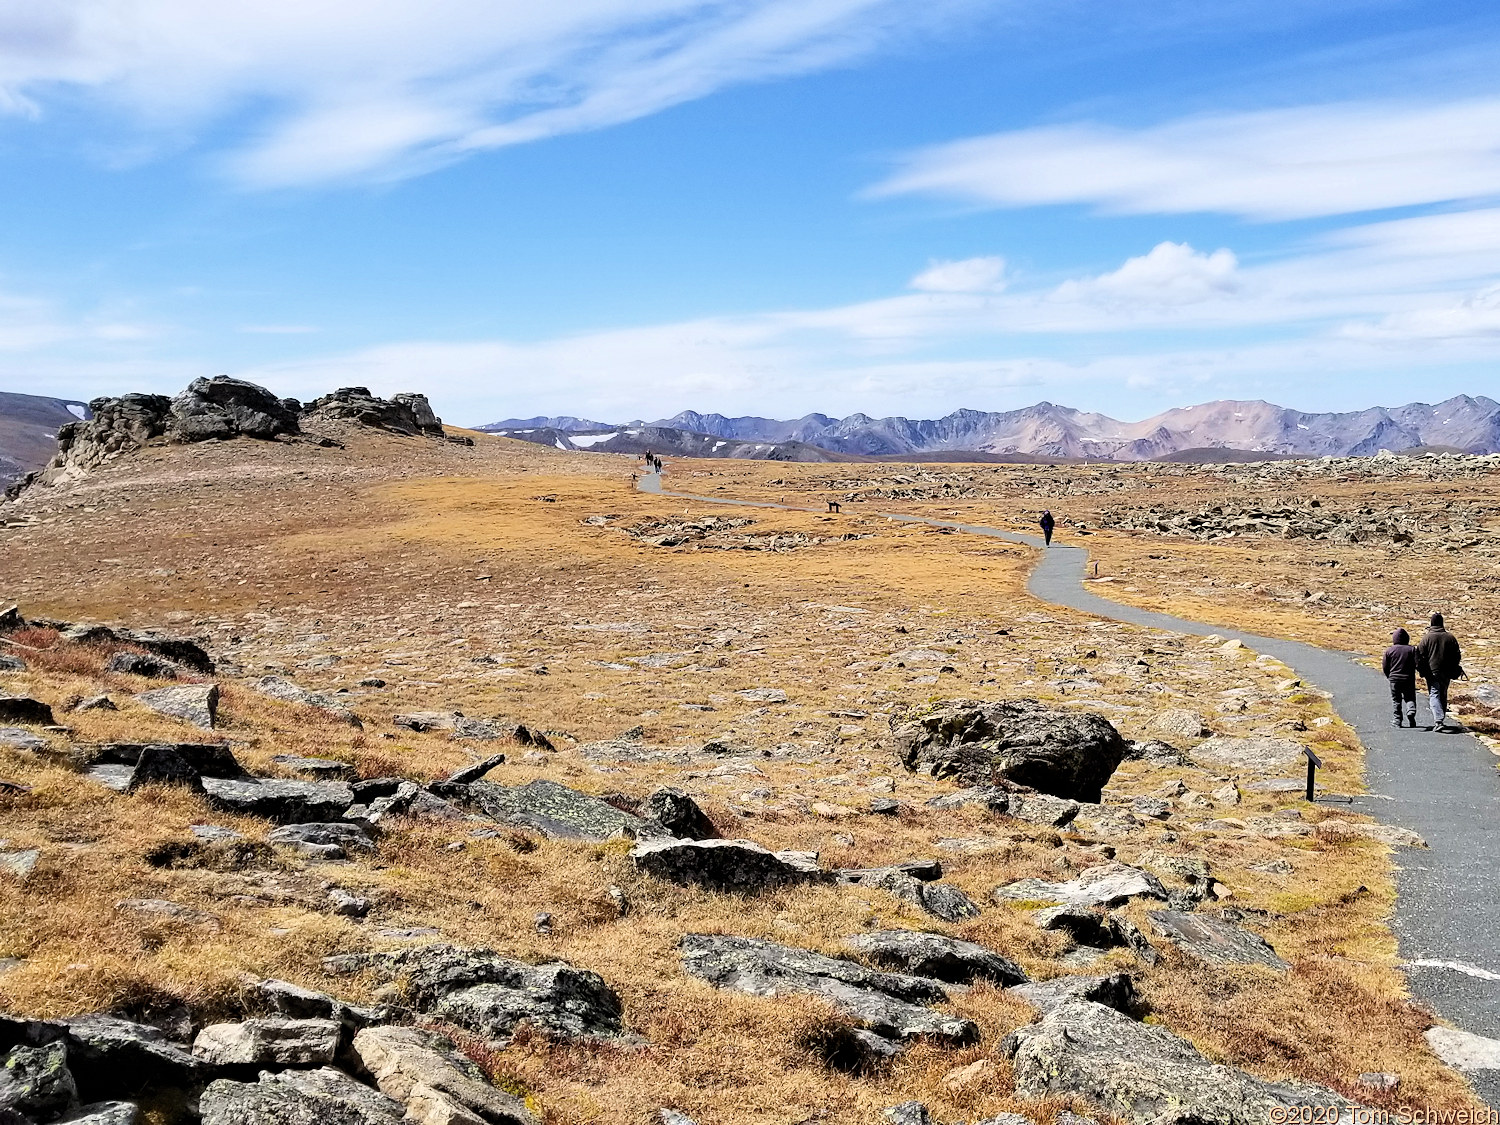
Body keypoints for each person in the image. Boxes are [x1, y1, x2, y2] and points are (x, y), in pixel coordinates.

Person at [1417, 612, 1463, 732]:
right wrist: (1455, 668)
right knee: (1443, 693)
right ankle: (1441, 720)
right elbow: (1457, 655)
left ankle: (1438, 720)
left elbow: (1419, 656)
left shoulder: (1426, 638)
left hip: (1432, 672)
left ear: (1431, 623)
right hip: (1447, 672)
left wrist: (1422, 671)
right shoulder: (1450, 637)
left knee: (1434, 694)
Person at [1382, 628, 1418, 728]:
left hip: (1394, 679)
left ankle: (1397, 720)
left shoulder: (1389, 651)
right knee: (1410, 697)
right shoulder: (1411, 650)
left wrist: (1389, 676)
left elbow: (1385, 666)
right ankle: (1411, 711)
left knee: (1396, 700)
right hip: (1408, 679)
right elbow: (1417, 664)